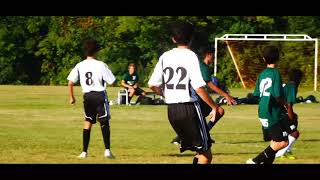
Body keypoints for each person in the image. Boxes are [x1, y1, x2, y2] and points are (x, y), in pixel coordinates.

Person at [148, 22, 218, 164]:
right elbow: (199, 87)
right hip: (189, 108)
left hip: (172, 111)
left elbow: (152, 84)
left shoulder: (165, 56)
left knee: (199, 152)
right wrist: (214, 107)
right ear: (191, 38)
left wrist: (165, 94)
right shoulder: (190, 56)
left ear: (173, 39)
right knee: (206, 155)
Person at [171, 47, 237, 145]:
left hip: (192, 97)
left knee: (207, 115)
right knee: (217, 111)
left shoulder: (199, 65)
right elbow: (210, 84)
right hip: (195, 98)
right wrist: (226, 95)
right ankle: (184, 138)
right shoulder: (203, 67)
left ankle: (193, 136)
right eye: (213, 56)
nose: (213, 58)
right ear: (208, 55)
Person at [67, 38, 116, 159]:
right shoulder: (101, 65)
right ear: (96, 51)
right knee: (104, 122)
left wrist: (72, 97)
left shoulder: (80, 65)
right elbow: (112, 81)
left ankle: (84, 152)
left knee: (88, 122)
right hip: (99, 95)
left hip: (87, 96)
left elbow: (70, 82)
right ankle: (107, 150)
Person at [246, 45, 289, 164]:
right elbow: (277, 95)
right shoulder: (275, 74)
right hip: (272, 112)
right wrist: (285, 105)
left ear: (264, 59)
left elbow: (257, 94)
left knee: (274, 142)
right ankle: (255, 161)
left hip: (263, 110)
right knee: (282, 142)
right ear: (278, 58)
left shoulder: (262, 74)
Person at [275, 68, 303, 160]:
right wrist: (291, 117)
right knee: (295, 133)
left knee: (288, 132)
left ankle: (286, 151)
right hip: (282, 113)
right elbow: (289, 105)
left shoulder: (288, 85)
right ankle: (280, 153)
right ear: (298, 78)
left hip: (279, 112)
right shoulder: (292, 86)